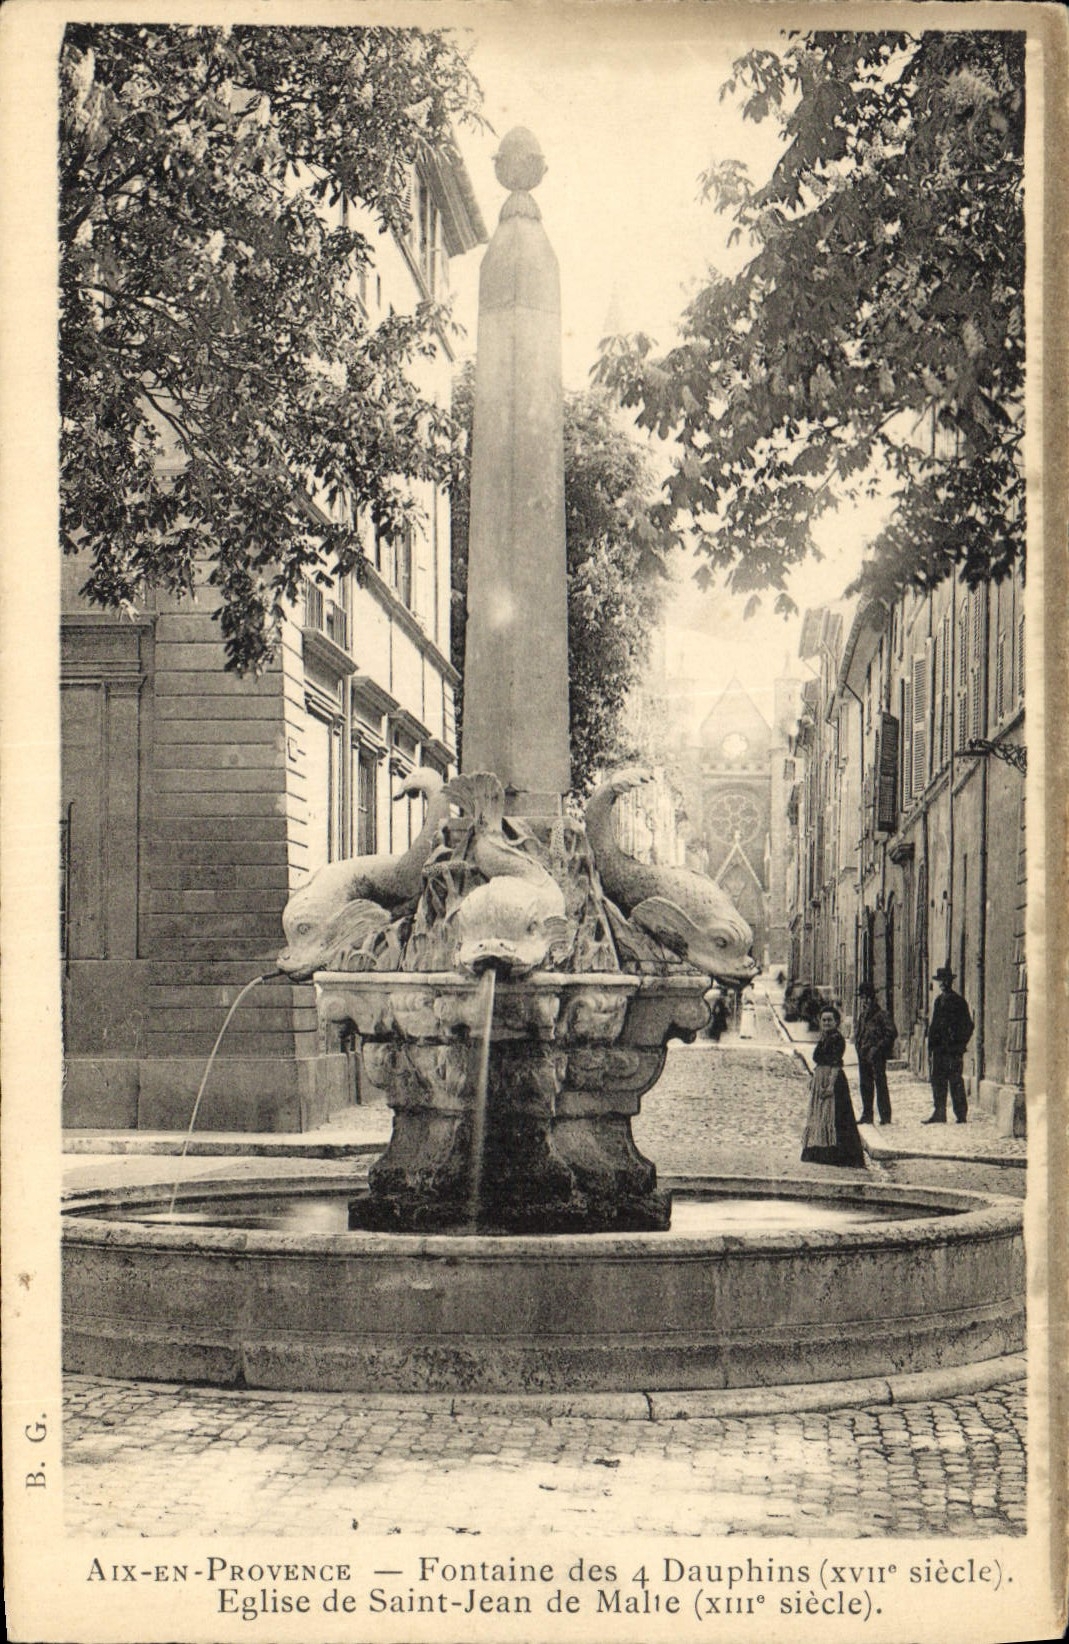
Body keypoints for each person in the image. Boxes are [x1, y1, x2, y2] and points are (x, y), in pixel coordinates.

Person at [800, 1005, 867, 1167]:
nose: (827, 1023)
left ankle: (837, 1155)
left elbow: (836, 1064)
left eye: (830, 1020)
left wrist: (830, 1085)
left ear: (836, 1022)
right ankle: (821, 1152)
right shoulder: (824, 1037)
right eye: (824, 1020)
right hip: (821, 1078)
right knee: (821, 1116)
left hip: (833, 1080)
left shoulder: (837, 1039)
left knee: (835, 1116)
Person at [925, 967, 974, 1123]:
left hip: (953, 1050)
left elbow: (968, 1025)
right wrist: (931, 1045)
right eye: (941, 981)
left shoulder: (958, 1002)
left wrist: (959, 1043)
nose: (943, 984)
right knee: (938, 1081)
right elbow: (934, 1025)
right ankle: (939, 1113)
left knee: (955, 1081)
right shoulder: (938, 1001)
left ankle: (961, 1114)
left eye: (945, 981)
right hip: (939, 1050)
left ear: (950, 982)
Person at [854, 982, 897, 1125]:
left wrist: (877, 1049)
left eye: (867, 998)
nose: (865, 1001)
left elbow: (891, 1033)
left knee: (880, 1085)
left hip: (876, 1057)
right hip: (863, 1056)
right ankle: (867, 1114)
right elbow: (859, 1033)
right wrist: (859, 1047)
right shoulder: (862, 1016)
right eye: (862, 998)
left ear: (873, 999)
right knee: (865, 1086)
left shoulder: (882, 1015)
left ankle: (885, 1116)